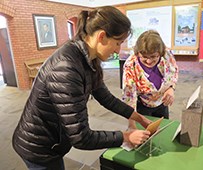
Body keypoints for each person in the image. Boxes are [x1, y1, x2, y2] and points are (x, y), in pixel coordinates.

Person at [12, 6, 152, 170]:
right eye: (117, 43)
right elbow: (81, 137)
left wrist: (138, 118)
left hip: (53, 140)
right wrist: (125, 137)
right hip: (39, 147)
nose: (117, 50)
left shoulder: (88, 58)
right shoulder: (67, 68)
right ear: (101, 37)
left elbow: (106, 98)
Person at [122, 30, 178, 129]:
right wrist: (131, 125)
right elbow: (129, 97)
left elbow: (173, 70)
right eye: (144, 57)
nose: (148, 61)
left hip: (162, 102)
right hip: (142, 105)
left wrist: (171, 88)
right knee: (143, 132)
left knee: (163, 128)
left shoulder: (166, 54)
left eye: (153, 57)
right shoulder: (130, 65)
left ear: (160, 53)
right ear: (138, 52)